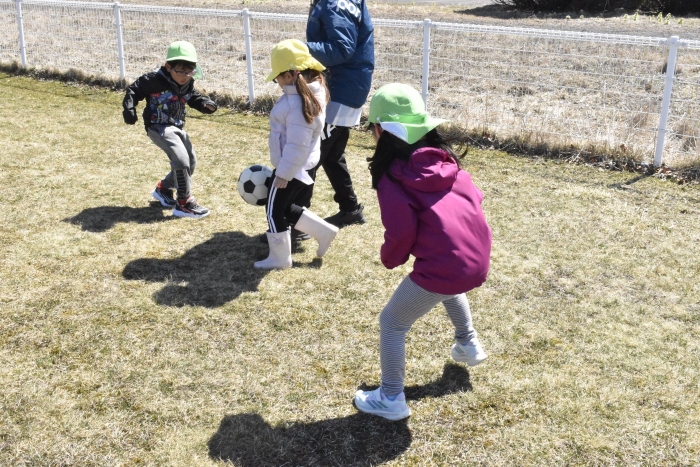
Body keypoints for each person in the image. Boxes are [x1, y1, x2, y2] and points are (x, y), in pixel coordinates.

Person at [353, 84, 493, 421]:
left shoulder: (393, 176)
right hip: (474, 259)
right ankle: (467, 343)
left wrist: (390, 258)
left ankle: (390, 398)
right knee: (445, 284)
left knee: (392, 322)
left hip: (447, 266)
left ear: (379, 131)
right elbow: (475, 200)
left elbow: (401, 233)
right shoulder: (447, 162)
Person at [254, 39, 339, 270]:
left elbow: (297, 144)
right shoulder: (305, 95)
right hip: (298, 165)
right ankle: (323, 231)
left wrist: (283, 173)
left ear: (291, 74)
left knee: (273, 209)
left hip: (292, 167)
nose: (278, 83)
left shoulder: (299, 103)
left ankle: (280, 258)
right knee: (285, 206)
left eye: (278, 78)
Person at [122, 40, 217, 219]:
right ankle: (184, 203)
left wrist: (205, 104)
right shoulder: (153, 80)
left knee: (190, 162)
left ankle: (164, 189)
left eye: (190, 71)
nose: (185, 76)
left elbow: (193, 97)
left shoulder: (187, 82)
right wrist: (129, 109)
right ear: (168, 67)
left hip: (176, 126)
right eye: (181, 71)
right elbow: (133, 91)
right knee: (181, 160)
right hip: (158, 126)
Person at [301, 0, 374, 229]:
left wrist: (301, 50)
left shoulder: (335, 3)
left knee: (309, 153)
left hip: (341, 89)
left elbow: (342, 48)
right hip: (347, 86)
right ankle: (350, 209)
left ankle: (296, 221)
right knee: (332, 154)